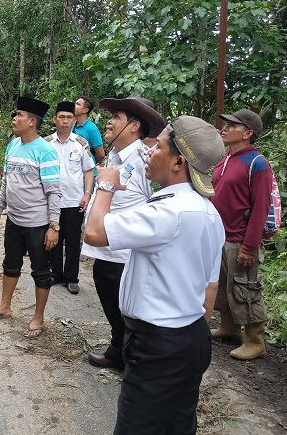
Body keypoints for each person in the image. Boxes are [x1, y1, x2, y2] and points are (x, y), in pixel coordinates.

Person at [84, 115, 226, 435]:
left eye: (158, 146)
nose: (149, 152)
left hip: (158, 345)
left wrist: (106, 182)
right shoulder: (209, 213)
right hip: (190, 339)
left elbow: (93, 232)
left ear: (178, 161)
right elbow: (210, 287)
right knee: (178, 424)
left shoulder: (166, 212)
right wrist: (185, 335)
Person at [83, 96, 165, 371]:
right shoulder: (115, 156)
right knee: (110, 298)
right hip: (107, 249)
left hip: (126, 254)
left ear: (134, 126)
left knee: (128, 309)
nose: (109, 121)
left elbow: (161, 202)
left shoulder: (146, 161)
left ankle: (132, 358)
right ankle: (119, 349)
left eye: (116, 117)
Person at [0, 97, 62, 338]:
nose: (14, 119)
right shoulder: (13, 145)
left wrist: (54, 226)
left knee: (40, 270)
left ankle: (38, 317)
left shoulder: (46, 151)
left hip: (37, 224)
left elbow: (53, 191)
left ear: (32, 121)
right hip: (14, 220)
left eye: (19, 115)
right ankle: (5, 306)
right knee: (10, 263)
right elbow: (6, 182)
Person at [211, 109, 272, 360]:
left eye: (232, 126)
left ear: (248, 134)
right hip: (220, 235)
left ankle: (255, 340)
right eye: (226, 124)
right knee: (225, 287)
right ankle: (229, 328)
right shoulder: (225, 158)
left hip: (240, 239)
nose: (225, 128)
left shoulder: (257, 164)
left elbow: (261, 208)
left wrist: (249, 247)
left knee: (245, 289)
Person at [48, 101, 95, 294]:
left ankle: (71, 278)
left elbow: (89, 169)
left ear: (74, 120)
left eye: (69, 117)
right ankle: (55, 273)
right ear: (55, 119)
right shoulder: (47, 143)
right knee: (53, 239)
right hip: (52, 201)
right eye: (61, 117)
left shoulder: (80, 144)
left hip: (74, 200)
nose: (65, 121)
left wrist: (87, 193)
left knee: (73, 240)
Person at [73, 96, 105, 165]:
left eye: (78, 104)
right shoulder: (72, 125)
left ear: (85, 110)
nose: (74, 105)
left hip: (88, 172)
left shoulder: (92, 129)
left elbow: (101, 154)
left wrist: (91, 163)